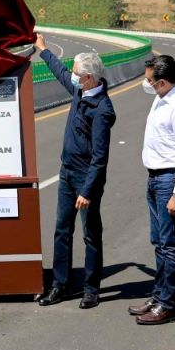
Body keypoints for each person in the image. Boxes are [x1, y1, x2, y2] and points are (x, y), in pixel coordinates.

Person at [34, 34, 116, 309]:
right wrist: (43, 50)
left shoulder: (101, 110)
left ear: (89, 78)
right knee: (61, 229)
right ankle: (60, 285)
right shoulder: (80, 91)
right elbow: (60, 73)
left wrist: (88, 190)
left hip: (85, 179)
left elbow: (100, 157)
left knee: (90, 233)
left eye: (77, 74)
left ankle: (91, 289)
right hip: (67, 173)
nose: (73, 77)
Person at [129, 56, 175, 325]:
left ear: (161, 81)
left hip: (171, 181)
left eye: (149, 80)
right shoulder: (162, 97)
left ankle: (169, 305)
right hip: (156, 178)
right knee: (159, 242)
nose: (145, 84)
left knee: (170, 244)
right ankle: (159, 296)